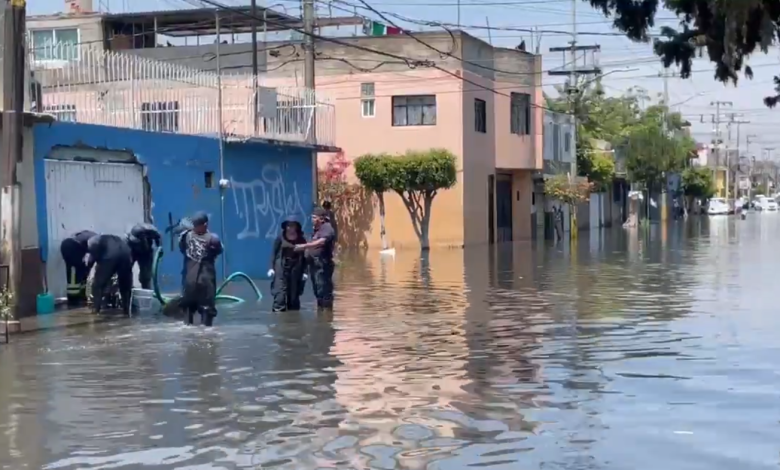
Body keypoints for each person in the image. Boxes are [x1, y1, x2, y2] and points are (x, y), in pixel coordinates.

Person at [179, 211, 223, 326]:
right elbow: (218, 251)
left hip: (189, 281)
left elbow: (182, 249)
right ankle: (206, 339)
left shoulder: (185, 236)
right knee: (207, 314)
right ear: (205, 224)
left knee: (188, 312)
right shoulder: (213, 239)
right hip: (206, 282)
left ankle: (189, 339)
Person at [294, 207, 336, 310]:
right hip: (314, 265)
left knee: (324, 290)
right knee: (318, 291)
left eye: (314, 217)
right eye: (312, 217)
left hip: (322, 265)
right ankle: (321, 316)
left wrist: (304, 246)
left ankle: (326, 317)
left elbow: (321, 241)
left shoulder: (327, 228)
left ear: (321, 219)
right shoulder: (316, 230)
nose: (312, 219)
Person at [85, 233, 134, 316]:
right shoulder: (113, 238)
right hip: (126, 253)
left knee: (97, 285)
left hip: (110, 255)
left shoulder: (92, 242)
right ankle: (126, 310)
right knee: (125, 285)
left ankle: (96, 310)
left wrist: (89, 266)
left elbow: (92, 259)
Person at [268, 216, 308, 312]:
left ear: (296, 227)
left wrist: (305, 272)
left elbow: (305, 257)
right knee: (280, 296)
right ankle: (278, 320)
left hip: (295, 270)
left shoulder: (301, 240)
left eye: (292, 225)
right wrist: (271, 268)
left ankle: (293, 322)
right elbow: (273, 253)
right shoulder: (280, 238)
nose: (290, 228)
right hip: (281, 268)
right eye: (288, 226)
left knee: (294, 298)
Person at [60, 229, 96, 307]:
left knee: (80, 269)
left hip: (67, 245)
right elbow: (92, 257)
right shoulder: (96, 240)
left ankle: (80, 296)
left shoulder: (90, 235)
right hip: (71, 247)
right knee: (74, 272)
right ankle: (74, 299)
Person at [126, 222, 162, 289]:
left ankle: (146, 289)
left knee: (146, 275)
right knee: (127, 268)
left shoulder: (151, 230)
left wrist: (159, 248)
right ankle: (128, 288)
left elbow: (159, 237)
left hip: (146, 253)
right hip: (134, 251)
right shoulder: (133, 235)